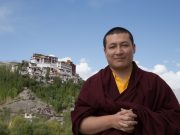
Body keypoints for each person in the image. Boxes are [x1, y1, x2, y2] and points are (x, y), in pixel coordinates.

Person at [71, 27, 180, 135]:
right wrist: (112, 121)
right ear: (105, 51)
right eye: (112, 47)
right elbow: (79, 124)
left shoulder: (154, 82)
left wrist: (141, 117)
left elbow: (175, 119)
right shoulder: (93, 84)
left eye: (124, 45)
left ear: (134, 48)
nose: (118, 52)